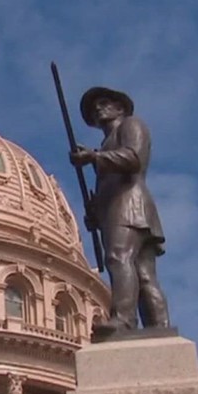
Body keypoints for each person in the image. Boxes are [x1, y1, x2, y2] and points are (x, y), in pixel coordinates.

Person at [70, 86, 171, 337]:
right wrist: (95, 213)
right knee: (143, 274)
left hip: (130, 206)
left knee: (118, 257)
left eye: (104, 103)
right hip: (118, 210)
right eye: (94, 108)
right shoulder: (105, 144)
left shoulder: (131, 125)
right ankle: (159, 328)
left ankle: (124, 320)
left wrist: (93, 157)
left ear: (120, 107)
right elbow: (108, 186)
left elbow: (133, 159)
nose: (97, 108)